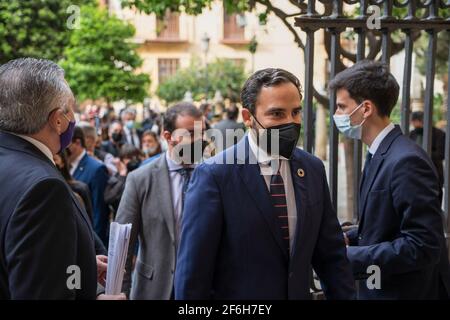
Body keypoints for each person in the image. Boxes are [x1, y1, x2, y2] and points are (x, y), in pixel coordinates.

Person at [175, 68, 355, 300]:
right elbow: (193, 275)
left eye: (296, 112)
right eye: (277, 114)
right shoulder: (215, 175)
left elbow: (332, 258)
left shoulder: (312, 169)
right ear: (249, 118)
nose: (290, 122)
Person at [0, 57, 123, 299]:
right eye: (71, 109)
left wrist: (81, 266)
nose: (74, 118)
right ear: (57, 120)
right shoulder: (43, 188)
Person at [331, 60, 450, 299]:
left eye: (342, 107)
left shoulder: (406, 161)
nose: (337, 115)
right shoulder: (381, 151)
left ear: (365, 109)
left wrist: (347, 257)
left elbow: (422, 244)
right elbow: (388, 225)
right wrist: (350, 237)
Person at [115, 103, 206, 299]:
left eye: (202, 132)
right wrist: (120, 292)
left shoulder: (214, 175)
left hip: (203, 289)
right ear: (167, 136)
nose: (199, 140)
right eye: (190, 133)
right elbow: (123, 244)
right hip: (154, 288)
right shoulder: (140, 179)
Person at [68, 127, 110, 246]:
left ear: (77, 143)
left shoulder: (96, 168)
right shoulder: (64, 165)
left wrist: (94, 246)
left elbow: (99, 212)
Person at [409, 111, 446, 204]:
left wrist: (420, 154)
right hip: (414, 176)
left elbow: (441, 154)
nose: (415, 126)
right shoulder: (412, 134)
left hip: (434, 175)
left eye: (416, 123)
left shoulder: (439, 134)